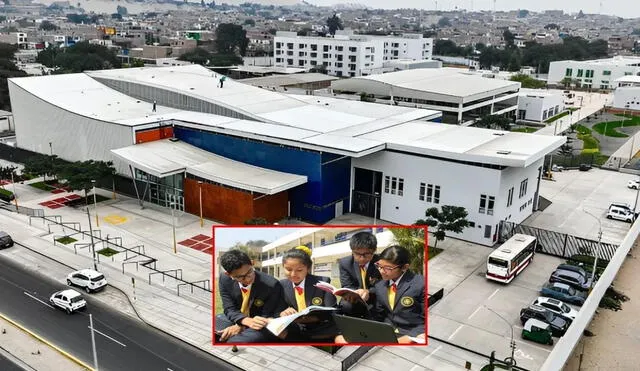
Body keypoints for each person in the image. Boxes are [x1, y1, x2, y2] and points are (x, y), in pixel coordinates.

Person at [337, 245, 425, 344]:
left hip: (410, 334)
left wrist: (411, 337)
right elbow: (378, 315)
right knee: (340, 339)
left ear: (404, 267)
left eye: (388, 268)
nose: (381, 271)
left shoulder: (421, 284)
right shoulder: (380, 285)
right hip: (386, 332)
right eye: (379, 266)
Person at [216, 249, 285, 343]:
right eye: (240, 277)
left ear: (252, 263)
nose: (248, 279)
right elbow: (229, 308)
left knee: (235, 341)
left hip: (261, 323)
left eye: (249, 272)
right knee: (215, 332)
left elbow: (266, 315)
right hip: (238, 318)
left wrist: (241, 326)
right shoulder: (225, 280)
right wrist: (243, 321)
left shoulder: (272, 285)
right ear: (229, 274)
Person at [279, 246, 338, 342]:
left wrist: (311, 319)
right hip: (295, 326)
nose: (293, 274)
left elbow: (333, 311)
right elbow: (277, 309)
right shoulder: (281, 285)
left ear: (308, 268)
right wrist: (283, 312)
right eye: (288, 269)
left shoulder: (322, 282)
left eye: (299, 270)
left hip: (319, 326)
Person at [337, 231, 382, 317]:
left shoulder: (381, 262)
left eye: (366, 254)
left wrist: (368, 291)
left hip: (375, 298)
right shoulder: (344, 263)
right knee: (346, 305)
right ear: (352, 251)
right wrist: (357, 293)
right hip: (355, 299)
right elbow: (347, 285)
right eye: (357, 254)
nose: (362, 258)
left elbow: (385, 285)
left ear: (374, 250)